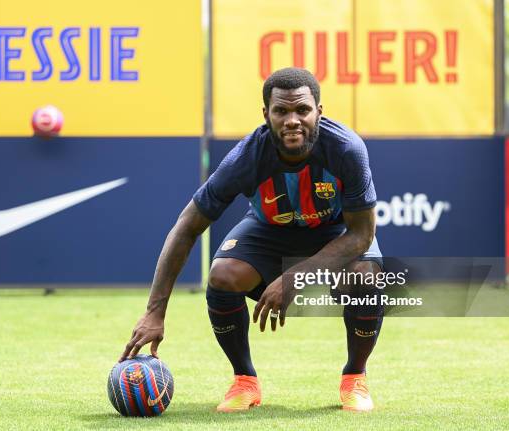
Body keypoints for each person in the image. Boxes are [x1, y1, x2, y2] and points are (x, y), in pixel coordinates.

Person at [120, 67, 384, 413]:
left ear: (319, 111)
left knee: (367, 278)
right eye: (281, 111)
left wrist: (293, 277)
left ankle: (355, 378)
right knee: (223, 275)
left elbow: (362, 233)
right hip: (268, 230)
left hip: (334, 232)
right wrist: (154, 312)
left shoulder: (347, 150)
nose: (292, 120)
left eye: (302, 110)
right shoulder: (246, 157)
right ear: (266, 115)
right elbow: (186, 226)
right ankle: (244, 381)